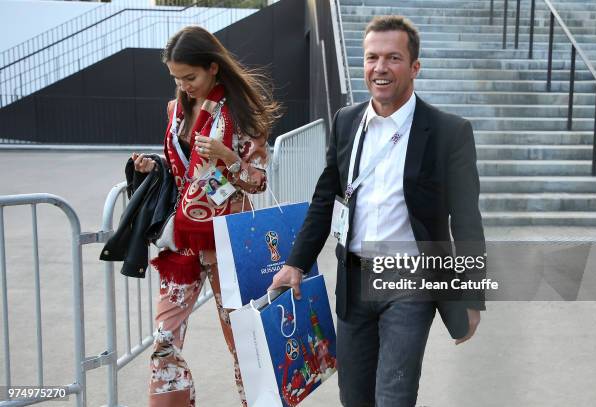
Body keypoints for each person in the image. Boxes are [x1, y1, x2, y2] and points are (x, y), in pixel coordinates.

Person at [269, 15, 485, 407]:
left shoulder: (448, 132)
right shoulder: (347, 121)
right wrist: (296, 262)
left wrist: (471, 295)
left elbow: (467, 219)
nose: (380, 68)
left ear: (414, 67)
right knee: (354, 396)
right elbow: (324, 199)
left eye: (393, 58)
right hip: (354, 280)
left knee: (394, 395)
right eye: (371, 57)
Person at [132, 25, 279, 407]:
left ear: (213, 68)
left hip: (230, 241)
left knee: (242, 340)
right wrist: (156, 166)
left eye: (190, 76)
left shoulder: (242, 113)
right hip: (182, 239)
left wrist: (228, 156)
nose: (184, 85)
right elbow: (189, 172)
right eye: (176, 78)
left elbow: (258, 181)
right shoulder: (176, 109)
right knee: (165, 338)